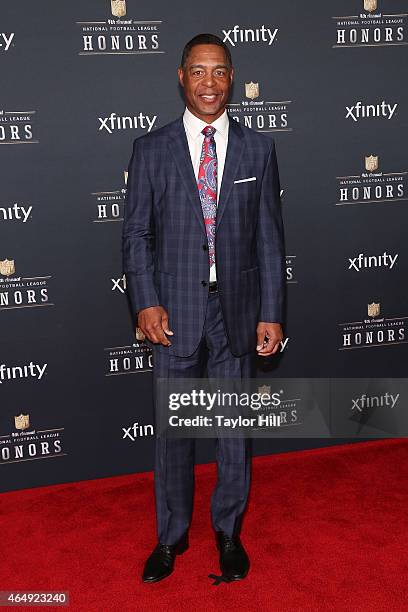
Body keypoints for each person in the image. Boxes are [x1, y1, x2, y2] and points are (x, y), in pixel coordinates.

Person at [122, 32, 286, 583]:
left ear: (232, 78)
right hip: (174, 313)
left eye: (219, 71)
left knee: (233, 433)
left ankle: (228, 532)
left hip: (235, 313)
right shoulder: (152, 148)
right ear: (180, 76)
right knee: (173, 435)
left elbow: (269, 239)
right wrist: (145, 302)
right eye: (198, 71)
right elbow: (137, 235)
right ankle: (170, 539)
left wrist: (272, 311)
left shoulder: (258, 149)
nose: (209, 82)